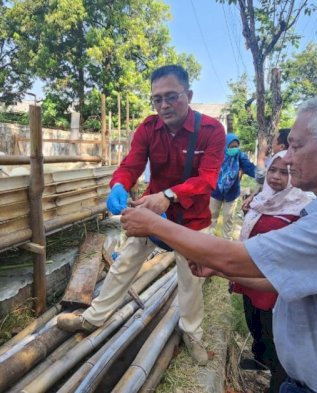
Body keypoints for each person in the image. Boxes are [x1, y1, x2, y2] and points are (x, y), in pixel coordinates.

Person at [121, 94, 317, 392]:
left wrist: (154, 223)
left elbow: (237, 257)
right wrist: (222, 272)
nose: (286, 158)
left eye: (296, 146)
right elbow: (281, 277)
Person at [56, 64, 226, 365]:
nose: (163, 105)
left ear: (188, 95)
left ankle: (192, 333)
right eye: (157, 99)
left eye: (171, 97)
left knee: (190, 282)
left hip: (193, 222)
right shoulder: (148, 128)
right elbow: (131, 164)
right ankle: (93, 318)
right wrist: (119, 185)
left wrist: (169, 195)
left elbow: (208, 179)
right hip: (152, 214)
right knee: (124, 265)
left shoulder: (212, 130)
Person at [231, 150, 311, 393]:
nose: (276, 177)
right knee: (255, 326)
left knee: (276, 339)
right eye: (273, 171)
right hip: (250, 276)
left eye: (285, 172)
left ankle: (277, 382)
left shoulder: (302, 206)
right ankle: (260, 362)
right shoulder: (260, 200)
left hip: (274, 284)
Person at [209, 133, 256, 238]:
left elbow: (249, 168)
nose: (234, 149)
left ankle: (226, 244)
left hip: (232, 193)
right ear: (225, 145)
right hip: (215, 191)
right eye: (231, 146)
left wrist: (262, 174)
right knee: (211, 217)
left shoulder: (239, 156)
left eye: (236, 146)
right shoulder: (217, 155)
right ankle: (209, 240)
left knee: (228, 219)